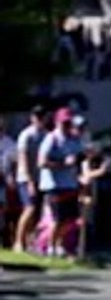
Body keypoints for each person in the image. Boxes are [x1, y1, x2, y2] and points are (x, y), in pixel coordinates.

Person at [36, 108, 84, 256]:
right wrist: (63, 163)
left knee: (70, 219)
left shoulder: (73, 140)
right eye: (64, 123)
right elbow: (41, 162)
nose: (67, 125)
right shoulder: (52, 139)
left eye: (69, 123)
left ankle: (60, 243)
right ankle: (50, 246)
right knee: (58, 218)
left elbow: (79, 156)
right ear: (57, 122)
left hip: (69, 184)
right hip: (54, 185)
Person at [13, 105, 49, 253]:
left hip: (41, 179)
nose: (39, 119)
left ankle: (31, 242)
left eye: (42, 116)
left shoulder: (46, 135)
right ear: (32, 117)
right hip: (25, 178)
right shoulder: (26, 135)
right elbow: (23, 158)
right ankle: (18, 242)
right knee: (29, 208)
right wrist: (29, 181)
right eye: (37, 116)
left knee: (37, 213)